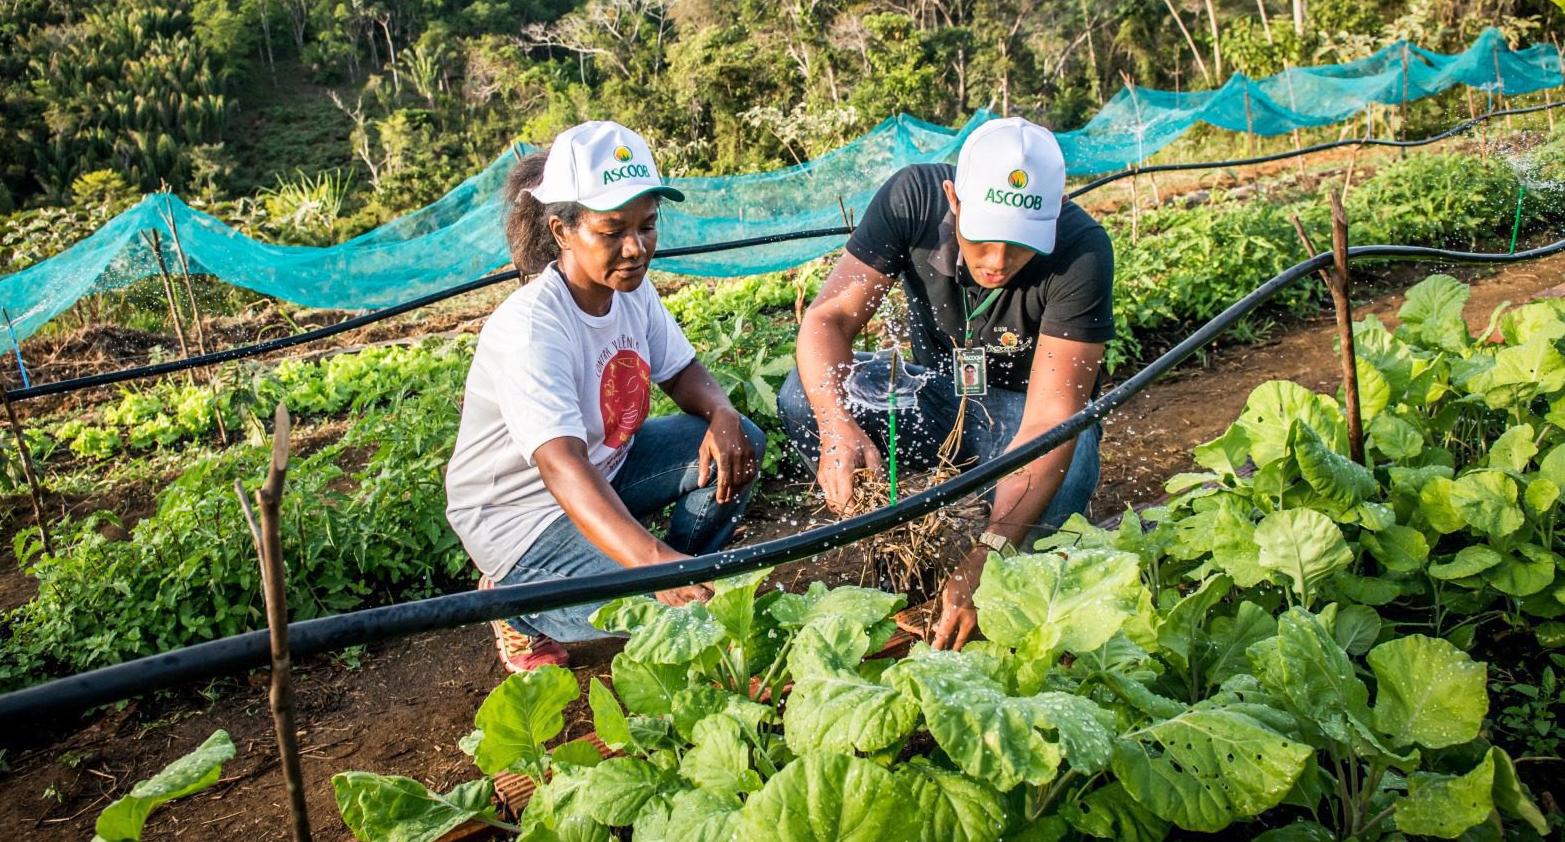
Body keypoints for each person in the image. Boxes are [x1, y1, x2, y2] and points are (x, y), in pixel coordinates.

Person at [779, 116, 1113, 651]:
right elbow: (828, 321)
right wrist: (838, 426)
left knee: (1049, 518)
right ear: (955, 200)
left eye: (1020, 243)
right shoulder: (912, 198)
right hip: (936, 390)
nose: (998, 262)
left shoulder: (1082, 251)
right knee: (804, 395)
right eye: (983, 238)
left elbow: (1052, 417)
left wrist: (989, 556)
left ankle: (997, 543)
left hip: (1024, 413)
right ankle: (899, 547)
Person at [446, 120, 765, 673]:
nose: (636, 247)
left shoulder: (631, 293)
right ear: (563, 231)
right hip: (522, 517)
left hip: (606, 473)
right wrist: (651, 563)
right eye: (612, 229)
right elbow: (562, 467)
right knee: (658, 618)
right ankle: (515, 604)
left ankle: (685, 571)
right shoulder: (532, 328)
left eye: (647, 225)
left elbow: (682, 370)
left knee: (741, 443)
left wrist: (723, 411)